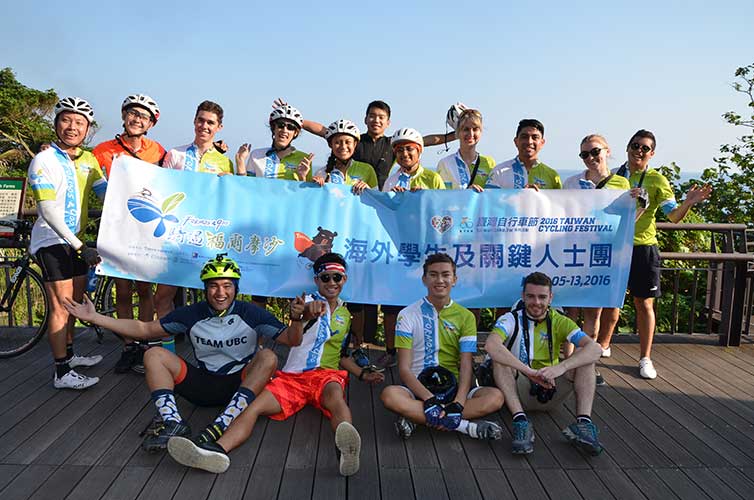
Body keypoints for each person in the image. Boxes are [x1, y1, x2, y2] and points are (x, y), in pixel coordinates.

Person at [63, 254, 312, 452]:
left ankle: (222, 424)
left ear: (236, 288)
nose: (221, 293)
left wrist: (296, 319)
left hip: (240, 385)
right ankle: (173, 423)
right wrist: (96, 317)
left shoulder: (251, 313)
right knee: (153, 354)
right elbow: (144, 328)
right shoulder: (192, 313)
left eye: (227, 286)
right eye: (213, 286)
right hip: (202, 385)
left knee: (268, 357)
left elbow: (292, 340)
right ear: (205, 288)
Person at [165, 253, 384, 476]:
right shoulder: (307, 302)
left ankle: (345, 450)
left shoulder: (346, 315)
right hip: (292, 378)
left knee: (336, 398)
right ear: (316, 279)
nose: (332, 283)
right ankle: (216, 450)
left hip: (326, 375)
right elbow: (303, 317)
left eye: (337, 277)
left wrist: (361, 373)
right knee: (254, 407)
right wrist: (301, 315)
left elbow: (341, 355)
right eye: (325, 277)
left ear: (344, 279)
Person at [597, 130, 711, 379]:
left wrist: (688, 202)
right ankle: (603, 346)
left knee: (644, 303)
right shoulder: (613, 177)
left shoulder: (658, 180)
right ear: (627, 148)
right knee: (610, 299)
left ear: (652, 154)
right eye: (635, 145)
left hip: (643, 247)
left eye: (645, 148)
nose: (639, 150)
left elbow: (672, 215)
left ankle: (645, 358)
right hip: (615, 246)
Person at [27, 96, 107, 389]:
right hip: (52, 241)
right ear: (56, 123)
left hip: (75, 242)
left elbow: (106, 195)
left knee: (73, 304)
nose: (72, 127)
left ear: (87, 129)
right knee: (60, 308)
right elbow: (47, 211)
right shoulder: (43, 159)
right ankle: (61, 372)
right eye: (66, 120)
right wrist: (79, 246)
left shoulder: (88, 160)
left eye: (80, 122)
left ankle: (70, 356)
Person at [380, 253, 504, 441]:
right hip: (418, 390)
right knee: (389, 396)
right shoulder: (407, 314)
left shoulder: (466, 317)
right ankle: (465, 426)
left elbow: (466, 365)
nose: (440, 280)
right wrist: (429, 400)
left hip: (452, 388)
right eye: (433, 274)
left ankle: (417, 419)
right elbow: (404, 369)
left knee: (496, 397)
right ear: (424, 279)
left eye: (446, 275)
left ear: (454, 280)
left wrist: (459, 403)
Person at [482, 272, 604, 456]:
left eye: (542, 297)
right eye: (530, 296)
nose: (536, 302)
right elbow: (491, 345)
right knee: (499, 361)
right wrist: (529, 371)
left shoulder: (559, 320)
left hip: (551, 385)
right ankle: (520, 422)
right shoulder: (510, 318)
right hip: (518, 389)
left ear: (550, 298)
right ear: (523, 296)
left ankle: (584, 423)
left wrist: (561, 367)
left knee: (585, 357)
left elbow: (595, 349)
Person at [92, 94, 165, 373]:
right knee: (122, 291)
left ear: (150, 123)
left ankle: (145, 345)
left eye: (143, 116)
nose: (137, 119)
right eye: (132, 113)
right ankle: (128, 346)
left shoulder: (157, 150)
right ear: (124, 116)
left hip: (145, 229)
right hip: (115, 228)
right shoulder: (102, 150)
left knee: (145, 290)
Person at [155, 101, 236, 324]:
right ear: (194, 121)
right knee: (163, 297)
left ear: (219, 127)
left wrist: (230, 182)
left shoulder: (224, 161)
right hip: (175, 236)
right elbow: (161, 190)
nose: (204, 126)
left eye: (210, 122)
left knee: (213, 299)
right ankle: (168, 348)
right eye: (201, 120)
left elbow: (227, 201)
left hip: (207, 238)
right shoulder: (175, 154)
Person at [562, 134, 631, 385]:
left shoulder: (622, 183)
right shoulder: (571, 182)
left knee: (594, 311)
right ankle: (566, 365)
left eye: (595, 152)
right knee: (570, 311)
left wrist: (640, 203)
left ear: (607, 151)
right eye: (584, 154)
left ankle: (585, 365)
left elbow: (630, 219)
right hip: (573, 253)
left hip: (604, 255)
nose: (591, 158)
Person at [310, 119, 378, 368]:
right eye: (337, 141)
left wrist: (368, 188)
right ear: (331, 144)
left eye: (347, 141)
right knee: (329, 290)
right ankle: (326, 342)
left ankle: (358, 344)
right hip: (332, 241)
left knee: (357, 295)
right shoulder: (324, 171)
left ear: (355, 144)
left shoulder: (366, 168)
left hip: (357, 236)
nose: (343, 145)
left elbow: (378, 199)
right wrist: (316, 184)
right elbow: (312, 200)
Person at [375, 128, 446, 369]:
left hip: (425, 248)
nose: (405, 153)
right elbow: (382, 211)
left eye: (409, 149)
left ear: (419, 152)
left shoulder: (432, 177)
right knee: (393, 301)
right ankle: (391, 350)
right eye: (400, 150)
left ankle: (428, 349)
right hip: (398, 248)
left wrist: (422, 198)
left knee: (425, 298)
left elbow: (442, 211)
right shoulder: (392, 179)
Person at [235, 103, 313, 311]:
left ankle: (295, 338)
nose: (284, 130)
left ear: (296, 133)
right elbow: (245, 189)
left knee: (293, 287)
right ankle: (259, 339)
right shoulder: (256, 155)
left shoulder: (304, 159)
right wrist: (241, 165)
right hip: (262, 228)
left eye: (289, 127)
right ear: (273, 128)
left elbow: (310, 198)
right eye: (280, 125)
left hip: (290, 229)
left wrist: (305, 177)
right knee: (259, 288)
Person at [488, 119, 562, 190]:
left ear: (542, 143)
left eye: (535, 137)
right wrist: (521, 195)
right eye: (524, 137)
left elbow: (560, 202)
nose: (529, 142)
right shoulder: (499, 172)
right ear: (516, 141)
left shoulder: (552, 176)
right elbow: (488, 200)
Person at [436, 105, 496, 190]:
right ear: (458, 133)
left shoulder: (489, 163)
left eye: (475, 129)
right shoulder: (445, 164)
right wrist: (467, 194)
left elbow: (492, 196)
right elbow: (442, 197)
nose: (471, 134)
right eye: (466, 129)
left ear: (480, 132)